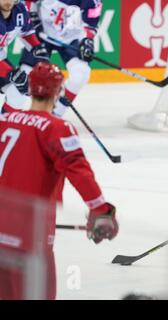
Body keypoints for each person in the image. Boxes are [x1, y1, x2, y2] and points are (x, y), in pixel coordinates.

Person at [0, 62, 118, 300]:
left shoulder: (4, 120)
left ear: (30, 88)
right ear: (58, 92)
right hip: (29, 232)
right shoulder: (57, 128)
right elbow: (78, 169)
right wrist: (102, 210)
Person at [9, 0, 102, 117]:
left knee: (81, 74)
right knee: (24, 76)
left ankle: (55, 115)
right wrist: (33, 19)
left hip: (71, 37)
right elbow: (28, 2)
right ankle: (7, 118)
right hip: (42, 33)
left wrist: (88, 39)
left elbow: (91, 20)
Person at [0, 0, 49, 113]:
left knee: (19, 91)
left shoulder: (19, 10)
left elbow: (26, 33)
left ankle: (3, 126)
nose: (8, 1)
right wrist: (10, 73)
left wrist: (36, 48)